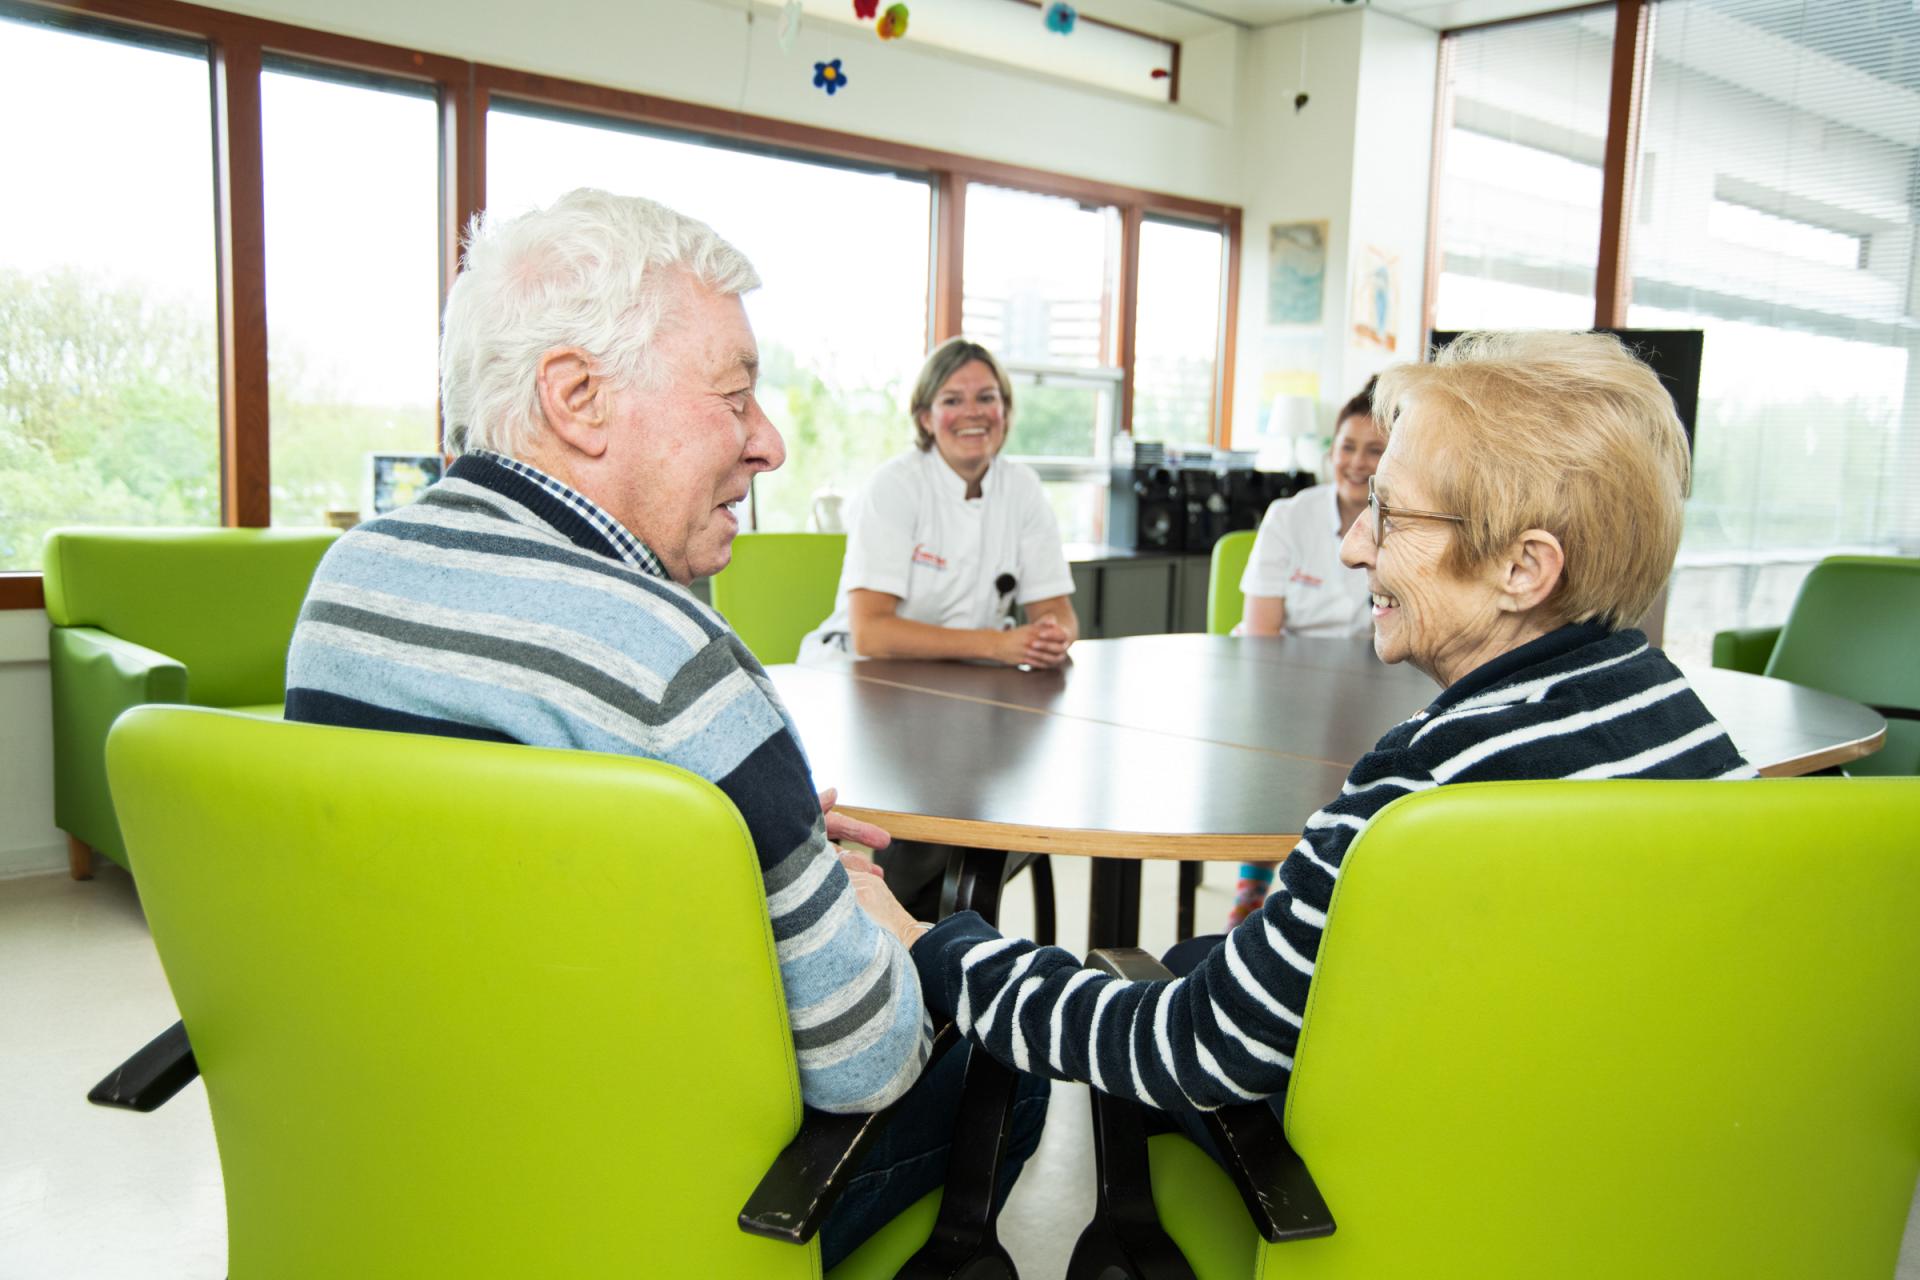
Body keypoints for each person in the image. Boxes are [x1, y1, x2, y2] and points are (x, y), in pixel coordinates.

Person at [281, 188, 1044, 1267]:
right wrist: (854, 912)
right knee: (1005, 1071)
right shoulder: (668, 661)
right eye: (736, 396)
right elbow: (864, 1057)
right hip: (626, 1201)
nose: (770, 441)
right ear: (579, 396)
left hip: (406, 1149)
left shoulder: (345, 590)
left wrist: (732, 867)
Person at [844, 330, 1759, 1152]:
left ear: (1524, 566)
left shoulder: (1419, 792)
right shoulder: (1697, 737)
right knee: (1208, 960)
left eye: (1390, 515)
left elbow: (1185, 1051)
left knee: (1167, 995)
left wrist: (929, 943)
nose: (1355, 546)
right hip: (1608, 1160)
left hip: (1417, 1185)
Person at [798, 337, 1079, 669]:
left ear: (1004, 410)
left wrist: (1051, 636)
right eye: (952, 400)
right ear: (925, 418)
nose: (972, 412)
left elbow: (1057, 610)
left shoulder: (1023, 488)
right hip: (862, 672)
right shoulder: (896, 486)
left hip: (966, 676)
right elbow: (871, 633)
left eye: (986, 398)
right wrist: (995, 644)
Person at [1228, 376, 1386, 926]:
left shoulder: (1406, 524)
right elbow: (1262, 630)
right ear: (1330, 450)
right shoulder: (1289, 516)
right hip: (1284, 680)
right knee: (1287, 753)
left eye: (1376, 451)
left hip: (1366, 683)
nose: (1357, 462)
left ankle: (1327, 898)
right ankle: (1254, 886)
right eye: (1348, 447)